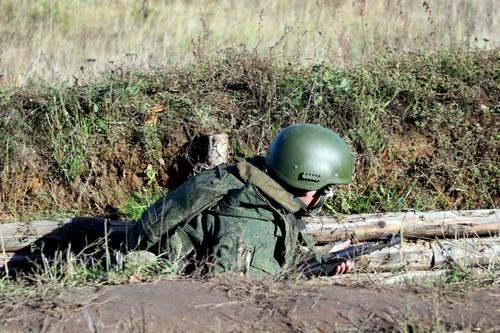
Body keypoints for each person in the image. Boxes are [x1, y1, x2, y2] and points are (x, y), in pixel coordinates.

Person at [129, 123, 355, 278]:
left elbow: (275, 259)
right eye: (326, 190)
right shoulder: (251, 220)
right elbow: (235, 295)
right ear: (307, 181)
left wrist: (323, 258)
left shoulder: (251, 185)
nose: (328, 196)